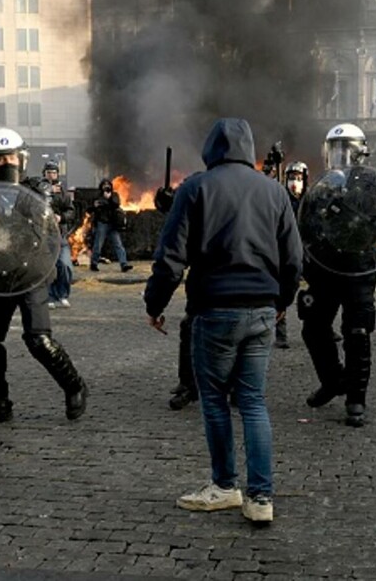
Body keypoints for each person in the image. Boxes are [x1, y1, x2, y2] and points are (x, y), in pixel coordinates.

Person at [144, 117, 302, 524]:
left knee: (214, 401)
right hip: (263, 309)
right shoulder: (275, 191)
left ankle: (225, 486)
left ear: (211, 149)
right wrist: (281, 301)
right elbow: (294, 259)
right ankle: (261, 498)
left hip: (214, 310)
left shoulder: (195, 188)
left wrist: (155, 303)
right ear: (250, 150)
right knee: (253, 402)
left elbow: (170, 257)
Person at [0, 128, 88, 426]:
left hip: (31, 272)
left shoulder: (36, 190)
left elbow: (44, 223)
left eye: (10, 157)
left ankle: (74, 386)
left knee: (39, 340)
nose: (6, 163)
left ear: (22, 159)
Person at [297, 123, 376, 428]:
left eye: (346, 149)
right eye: (335, 149)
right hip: (325, 267)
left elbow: (374, 227)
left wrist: (342, 209)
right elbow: (308, 221)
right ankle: (334, 380)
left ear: (361, 150)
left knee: (357, 333)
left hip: (359, 268)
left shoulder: (375, 181)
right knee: (313, 327)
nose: (340, 156)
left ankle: (356, 399)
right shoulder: (323, 183)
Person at [274, 161, 308, 349]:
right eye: (292, 178)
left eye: (299, 179)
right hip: (287, 250)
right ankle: (281, 334)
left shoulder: (310, 200)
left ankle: (321, 326)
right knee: (283, 290)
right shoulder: (281, 199)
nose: (295, 182)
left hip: (307, 251)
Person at [43, 161, 76, 308]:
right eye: (49, 172)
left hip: (60, 234)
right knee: (48, 267)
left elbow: (71, 211)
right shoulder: (38, 189)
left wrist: (61, 217)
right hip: (44, 234)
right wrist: (47, 191)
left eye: (54, 172)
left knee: (65, 265)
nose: (51, 175)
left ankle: (62, 294)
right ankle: (50, 296)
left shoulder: (63, 192)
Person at [88, 178, 132, 273]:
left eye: (108, 185)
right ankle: (94, 263)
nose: (106, 187)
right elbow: (90, 209)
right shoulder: (97, 196)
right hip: (102, 223)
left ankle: (124, 264)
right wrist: (94, 206)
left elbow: (116, 204)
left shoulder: (114, 195)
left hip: (112, 223)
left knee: (118, 244)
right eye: (104, 185)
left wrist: (109, 198)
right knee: (98, 244)